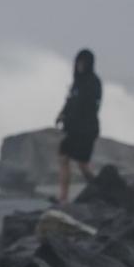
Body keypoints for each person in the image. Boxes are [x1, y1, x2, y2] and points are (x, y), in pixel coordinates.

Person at [56, 48, 101, 204]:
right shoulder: (77, 82)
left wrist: (74, 121)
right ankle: (63, 197)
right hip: (73, 130)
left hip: (86, 130)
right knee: (63, 157)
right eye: (78, 62)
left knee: (83, 165)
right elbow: (70, 101)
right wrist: (62, 114)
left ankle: (99, 190)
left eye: (83, 63)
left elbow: (89, 108)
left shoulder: (93, 83)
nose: (80, 65)